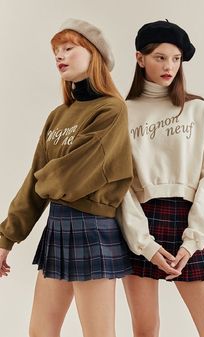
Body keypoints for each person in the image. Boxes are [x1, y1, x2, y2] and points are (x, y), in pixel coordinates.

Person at [0, 18, 133, 337]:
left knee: (98, 333)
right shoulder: (58, 116)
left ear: (94, 54)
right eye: (56, 51)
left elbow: (71, 177)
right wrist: (6, 238)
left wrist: (45, 181)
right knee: (40, 332)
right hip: (57, 227)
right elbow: (34, 182)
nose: (60, 56)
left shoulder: (111, 110)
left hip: (93, 230)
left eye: (69, 48)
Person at [118, 20, 204, 337]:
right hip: (139, 223)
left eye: (176, 58)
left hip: (187, 220)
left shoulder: (198, 109)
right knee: (145, 330)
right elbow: (121, 186)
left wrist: (194, 238)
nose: (169, 66)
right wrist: (144, 244)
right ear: (140, 58)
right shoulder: (123, 112)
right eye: (160, 57)